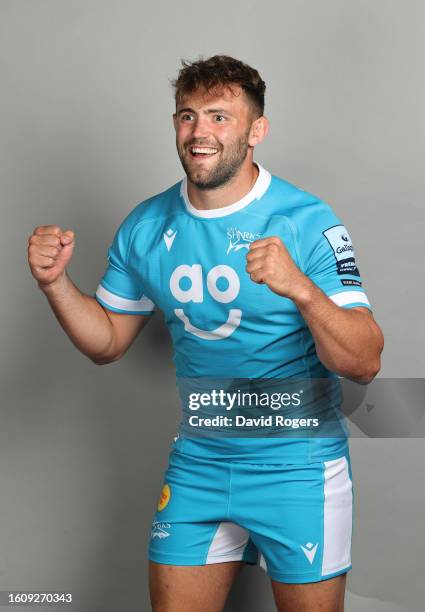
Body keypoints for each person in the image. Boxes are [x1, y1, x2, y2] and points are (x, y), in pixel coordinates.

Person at [28, 55, 384, 612]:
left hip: (297, 467)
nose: (200, 133)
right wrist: (55, 286)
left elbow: (365, 360)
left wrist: (303, 290)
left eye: (220, 117)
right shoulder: (146, 226)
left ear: (255, 130)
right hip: (200, 463)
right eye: (188, 116)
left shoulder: (308, 221)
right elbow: (108, 342)